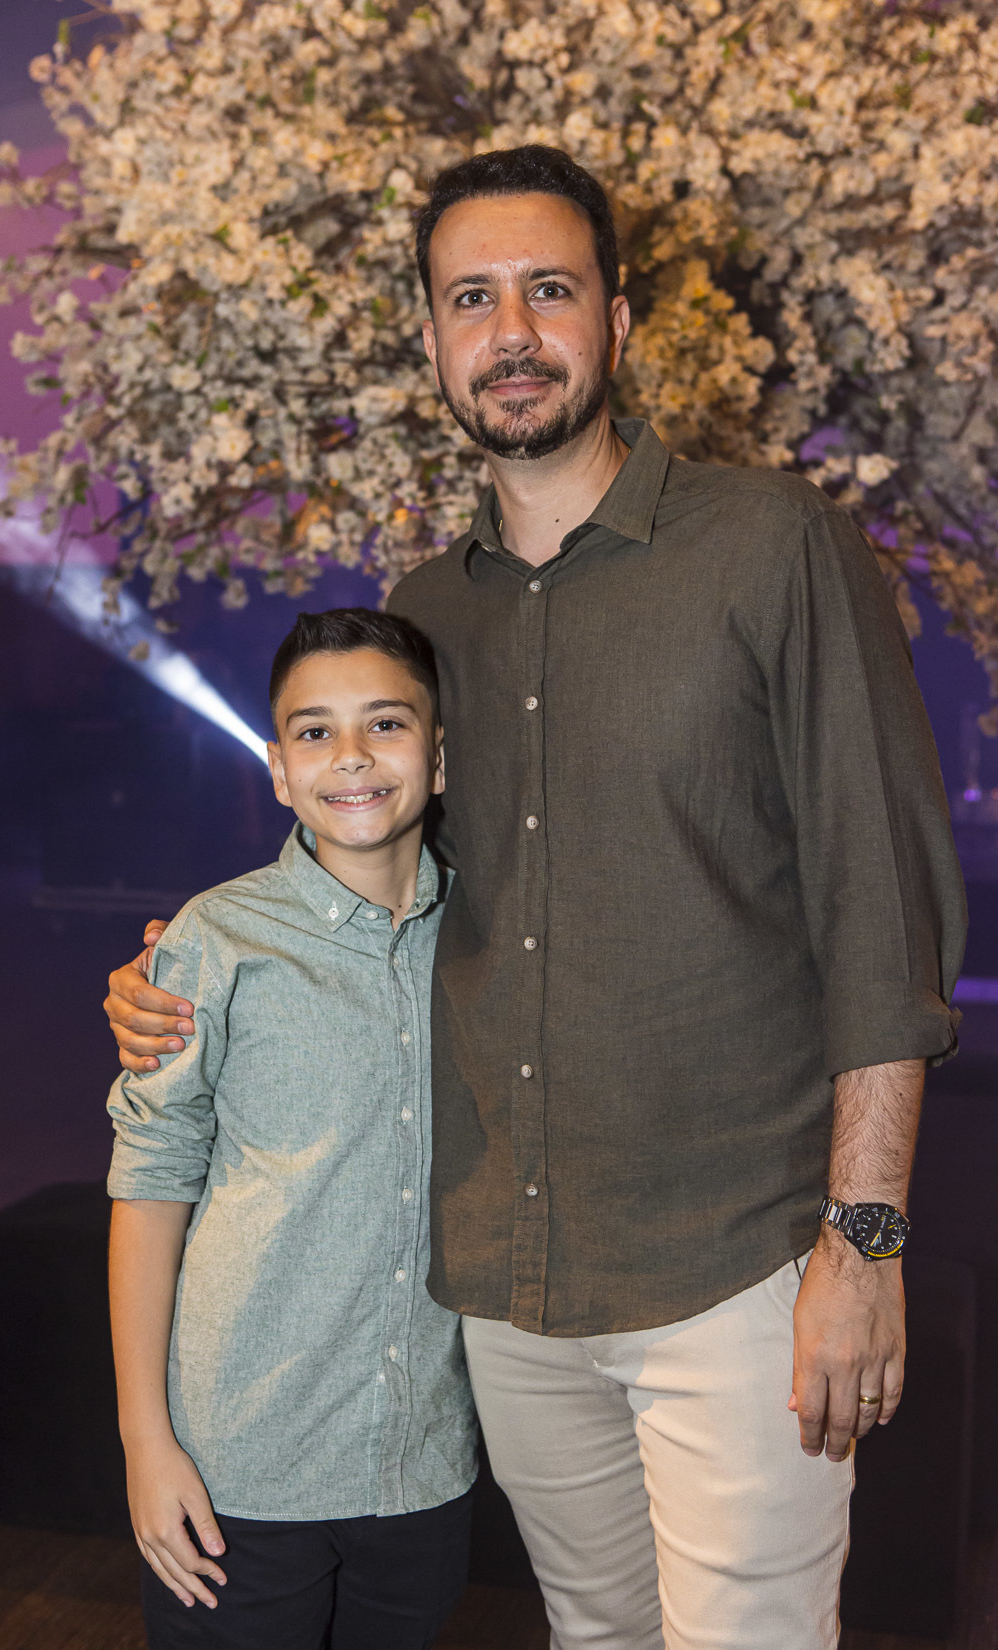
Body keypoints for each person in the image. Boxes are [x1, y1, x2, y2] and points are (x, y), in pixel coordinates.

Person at [104, 147, 966, 1649]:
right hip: (507, 1292)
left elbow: (880, 912)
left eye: (548, 291)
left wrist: (865, 1240)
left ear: (616, 322)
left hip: (737, 1265)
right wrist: (182, 971)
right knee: (592, 1634)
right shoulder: (425, 615)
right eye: (471, 299)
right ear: (434, 340)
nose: (510, 332)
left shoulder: (771, 545)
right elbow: (374, 888)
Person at [106, 608, 477, 1650]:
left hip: (422, 1464)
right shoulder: (214, 940)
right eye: (315, 732)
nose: (350, 755)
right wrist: (145, 1444)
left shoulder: (490, 940)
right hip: (238, 1469)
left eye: (385, 724)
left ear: (438, 757)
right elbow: (149, 1185)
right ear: (278, 770)